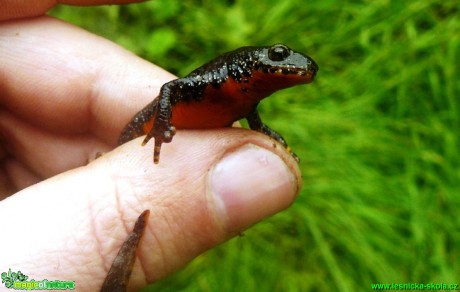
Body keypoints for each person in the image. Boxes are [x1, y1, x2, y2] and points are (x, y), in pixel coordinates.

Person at [0, 1, 302, 290]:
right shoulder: (216, 80)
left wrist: (261, 130)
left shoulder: (243, 97)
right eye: (277, 54)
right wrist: (160, 126)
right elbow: (171, 88)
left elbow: (246, 110)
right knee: (116, 164)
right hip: (139, 129)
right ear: (241, 63)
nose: (282, 60)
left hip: (184, 137)